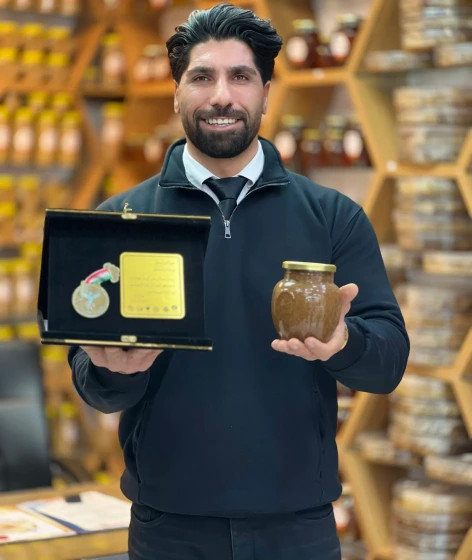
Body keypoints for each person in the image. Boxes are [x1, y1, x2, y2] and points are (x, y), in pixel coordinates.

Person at [68, 3, 409, 559]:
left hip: (297, 529)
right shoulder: (123, 219)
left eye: (241, 77)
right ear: (176, 92)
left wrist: (344, 343)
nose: (221, 96)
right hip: (169, 528)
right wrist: (116, 371)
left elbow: (389, 363)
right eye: (202, 77)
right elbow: (92, 381)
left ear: (267, 92)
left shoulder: (333, 217)